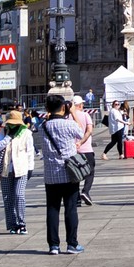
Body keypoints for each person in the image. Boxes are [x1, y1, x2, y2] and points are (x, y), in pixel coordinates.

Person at [39, 97, 86, 255]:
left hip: (51, 175)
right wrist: (73, 112)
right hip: (69, 173)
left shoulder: (43, 126)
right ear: (63, 108)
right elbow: (81, 132)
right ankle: (72, 244)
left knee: (52, 209)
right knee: (70, 208)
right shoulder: (69, 124)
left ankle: (53, 245)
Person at [0, 110, 34, 235]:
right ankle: (12, 224)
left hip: (21, 168)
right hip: (6, 169)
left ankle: (22, 223)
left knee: (19, 195)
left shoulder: (26, 133)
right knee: (8, 198)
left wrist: (30, 168)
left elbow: (30, 152)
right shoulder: (3, 132)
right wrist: (8, 137)